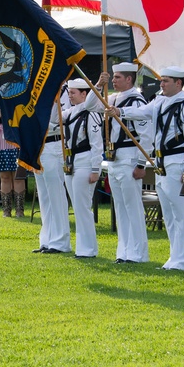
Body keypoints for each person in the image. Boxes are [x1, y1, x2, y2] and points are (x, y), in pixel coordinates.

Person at [109, 66, 184, 270]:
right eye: (161, 80)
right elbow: (142, 112)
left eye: (165, 81)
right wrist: (120, 111)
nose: (161, 84)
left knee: (180, 212)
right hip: (161, 161)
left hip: (176, 158)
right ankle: (175, 257)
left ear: (178, 83)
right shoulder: (160, 101)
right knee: (169, 213)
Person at [104, 62, 151, 263]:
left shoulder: (137, 101)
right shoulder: (114, 98)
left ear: (129, 79)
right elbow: (90, 104)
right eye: (113, 77)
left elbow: (146, 135)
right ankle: (123, 251)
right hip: (115, 156)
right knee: (120, 208)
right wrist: (100, 84)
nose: (113, 81)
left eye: (117, 77)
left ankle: (138, 253)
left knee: (132, 207)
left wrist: (141, 164)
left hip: (130, 156)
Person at [62, 78, 104, 258]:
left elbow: (97, 144)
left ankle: (88, 249)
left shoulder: (91, 113)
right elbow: (55, 117)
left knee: (83, 206)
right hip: (71, 160)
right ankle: (82, 247)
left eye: (73, 93)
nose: (69, 96)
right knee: (78, 206)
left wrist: (96, 169)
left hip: (85, 160)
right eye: (69, 92)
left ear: (84, 94)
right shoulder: (70, 112)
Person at [32, 94, 72, 254]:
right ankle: (47, 240)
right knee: (45, 197)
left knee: (56, 195)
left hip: (54, 143)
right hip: (38, 145)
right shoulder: (37, 90)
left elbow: (67, 119)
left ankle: (61, 241)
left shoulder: (63, 91)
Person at [0, 99, 26, 217]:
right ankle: (6, 210)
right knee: (4, 176)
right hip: (0, 142)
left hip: (16, 138)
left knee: (18, 176)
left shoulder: (21, 100)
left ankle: (19, 210)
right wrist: (3, 109)